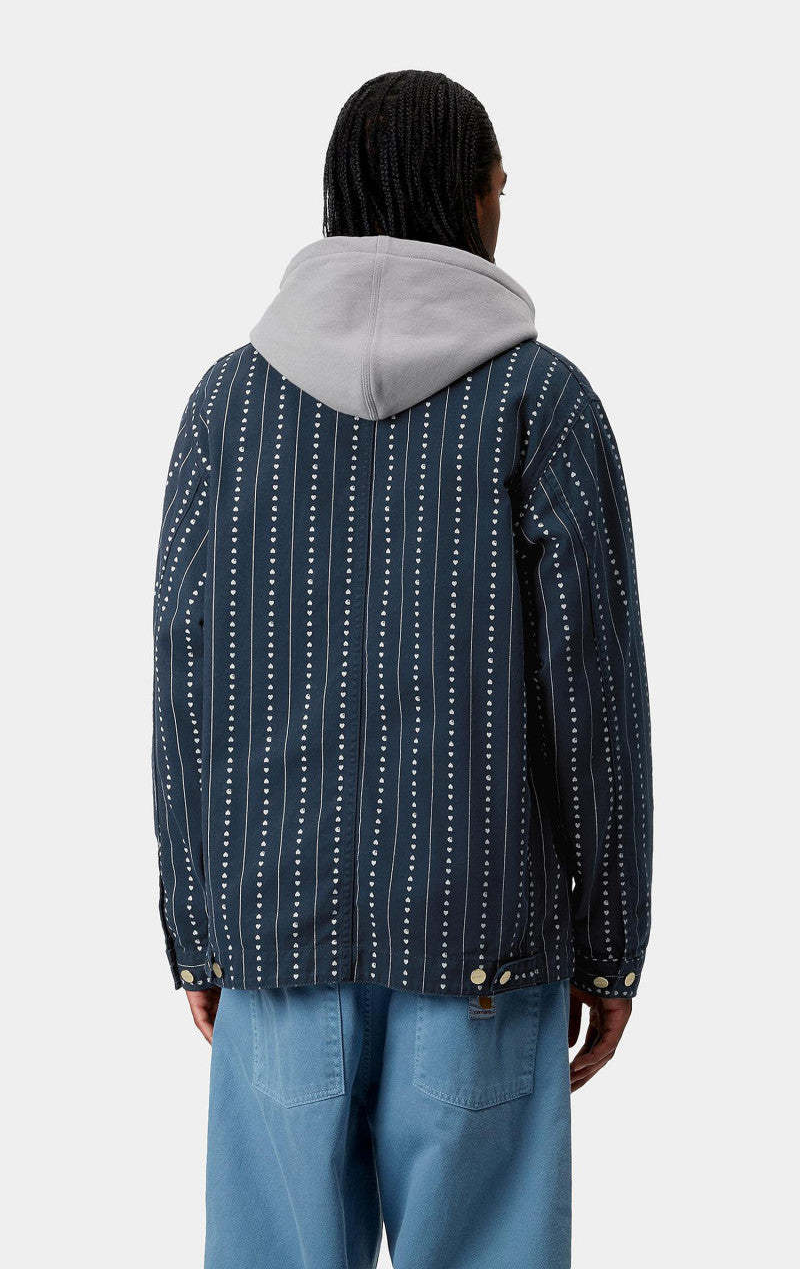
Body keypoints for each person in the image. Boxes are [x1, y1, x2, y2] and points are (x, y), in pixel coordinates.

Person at [152, 69, 652, 1269]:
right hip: (482, 937)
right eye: (499, 188)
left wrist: (196, 926)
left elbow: (184, 678)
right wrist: (611, 942)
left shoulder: (228, 405)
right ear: (472, 197)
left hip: (272, 938)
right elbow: (589, 691)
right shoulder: (540, 400)